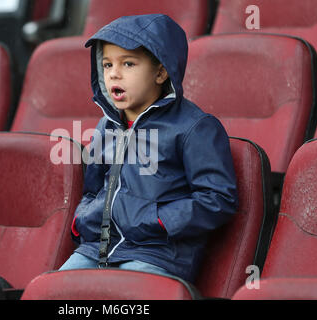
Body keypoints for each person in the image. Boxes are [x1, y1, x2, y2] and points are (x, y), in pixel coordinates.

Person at [59, 14, 238, 282]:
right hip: (97, 249)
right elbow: (92, 189)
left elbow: (218, 199)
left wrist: (160, 221)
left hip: (157, 253)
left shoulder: (195, 127)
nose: (114, 73)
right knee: (50, 290)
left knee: (125, 298)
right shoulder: (106, 126)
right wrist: (84, 219)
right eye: (107, 65)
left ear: (160, 72)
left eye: (128, 64)